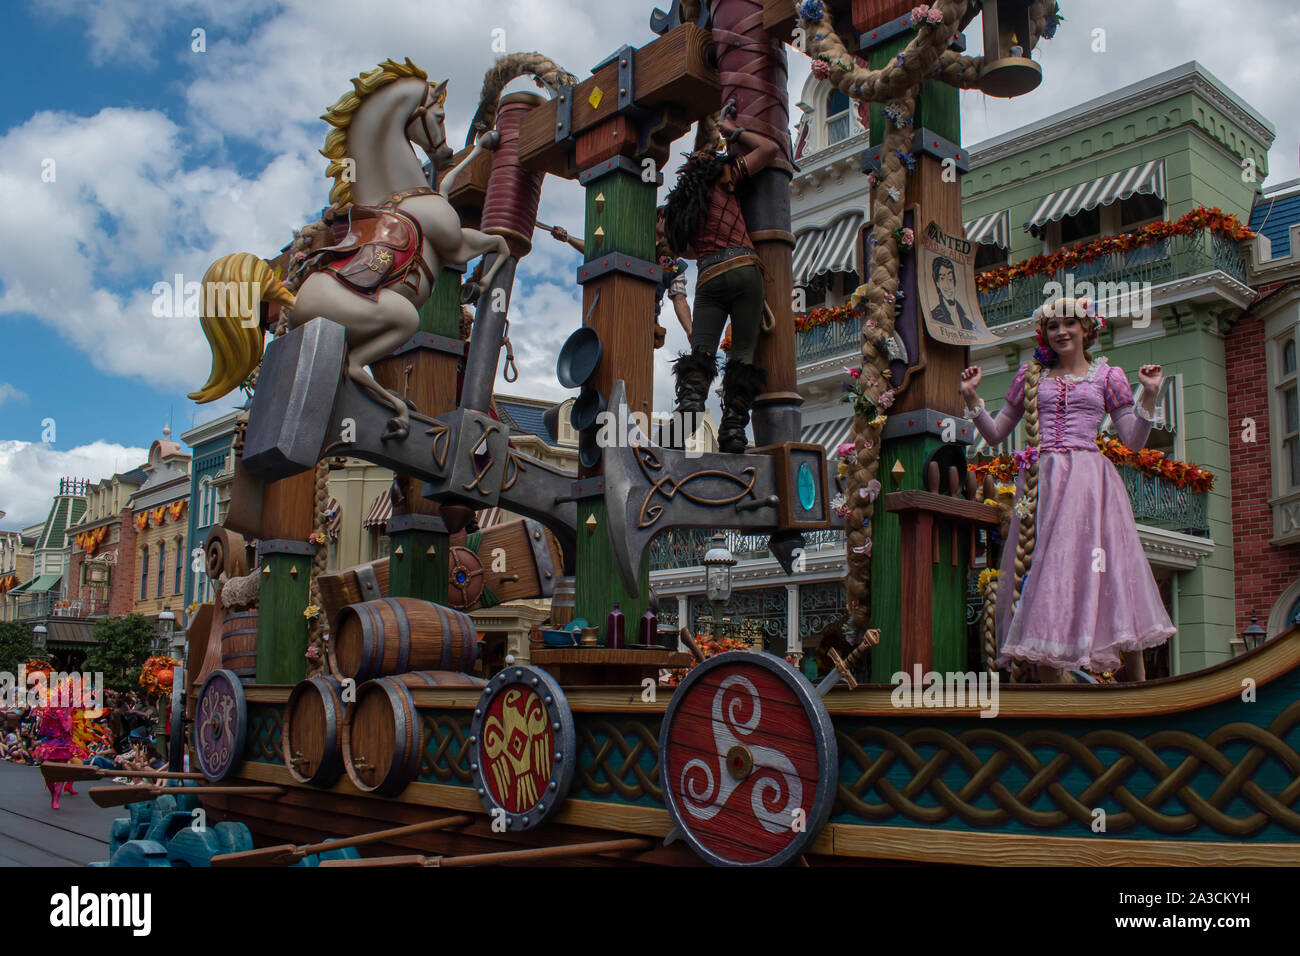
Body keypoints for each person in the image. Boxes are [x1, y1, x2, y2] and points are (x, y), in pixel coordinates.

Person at [960, 296, 1173, 683]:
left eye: (1069, 324)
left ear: (1086, 329)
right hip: (1043, 483)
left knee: (1106, 570)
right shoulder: (1030, 376)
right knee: (1048, 572)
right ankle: (1054, 690)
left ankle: (1139, 690)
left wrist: (1151, 394)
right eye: (1053, 326)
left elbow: (1134, 441)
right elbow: (994, 435)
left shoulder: (1109, 377)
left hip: (1091, 483)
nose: (1060, 332)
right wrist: (973, 397)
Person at [662, 107, 780, 453]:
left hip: (709, 278)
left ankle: (685, 424)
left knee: (701, 353)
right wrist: (734, 131)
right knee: (742, 354)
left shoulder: (678, 206)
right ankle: (734, 431)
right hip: (743, 267)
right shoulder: (722, 174)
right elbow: (770, 150)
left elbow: (683, 250)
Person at [930, 257, 974, 331]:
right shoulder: (935, 316)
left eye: (950, 279)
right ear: (937, 283)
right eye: (942, 279)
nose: (948, 285)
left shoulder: (967, 321)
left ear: (954, 281)